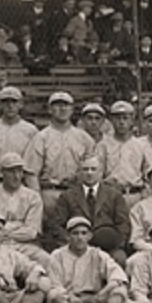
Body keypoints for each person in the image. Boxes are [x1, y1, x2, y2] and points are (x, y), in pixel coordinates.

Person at [24, 91, 96, 237]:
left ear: (72, 109)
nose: (62, 109)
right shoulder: (41, 137)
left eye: (66, 105)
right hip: (50, 192)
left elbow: (93, 170)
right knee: (52, 235)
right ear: (50, 109)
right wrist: (37, 201)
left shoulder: (83, 138)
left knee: (79, 234)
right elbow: (31, 172)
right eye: (57, 105)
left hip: (76, 192)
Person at [45, 216, 129, 303]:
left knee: (120, 290)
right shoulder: (57, 255)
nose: (80, 238)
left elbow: (118, 277)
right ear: (68, 236)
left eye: (84, 233)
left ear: (89, 236)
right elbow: (55, 284)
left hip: (93, 301)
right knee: (53, 298)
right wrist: (70, 297)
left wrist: (102, 293)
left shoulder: (98, 254)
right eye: (75, 233)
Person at [50, 155, 131, 266]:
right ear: (79, 173)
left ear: (101, 172)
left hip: (108, 247)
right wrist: (73, 244)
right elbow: (56, 225)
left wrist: (115, 243)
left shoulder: (114, 195)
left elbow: (123, 224)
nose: (89, 173)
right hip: (76, 246)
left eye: (93, 169)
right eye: (85, 169)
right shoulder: (67, 196)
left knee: (119, 258)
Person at [0, 152, 49, 268]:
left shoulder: (33, 196)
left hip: (25, 246)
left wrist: (3, 230)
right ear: (2, 172)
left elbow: (31, 233)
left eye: (19, 171)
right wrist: (19, 225)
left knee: (46, 260)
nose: (16, 176)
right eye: (11, 171)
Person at [96, 101, 152, 208]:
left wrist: (145, 195)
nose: (121, 122)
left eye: (125, 118)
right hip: (110, 195)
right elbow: (97, 174)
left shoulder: (142, 145)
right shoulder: (103, 145)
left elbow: (150, 173)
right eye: (117, 118)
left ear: (132, 120)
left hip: (135, 195)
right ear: (112, 121)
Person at [0, 86, 39, 180]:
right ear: (0, 105)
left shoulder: (31, 130)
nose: (10, 106)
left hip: (21, 182)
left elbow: (33, 162)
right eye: (6, 102)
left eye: (14, 102)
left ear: (21, 104)